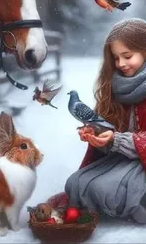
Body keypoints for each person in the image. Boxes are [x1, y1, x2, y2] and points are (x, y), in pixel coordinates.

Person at [47, 18, 146, 224]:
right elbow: (109, 132)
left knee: (105, 190)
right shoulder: (114, 86)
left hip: (141, 162)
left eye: (127, 56)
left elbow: (126, 139)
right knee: (76, 183)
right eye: (116, 58)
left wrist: (118, 140)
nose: (121, 64)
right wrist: (98, 136)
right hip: (120, 159)